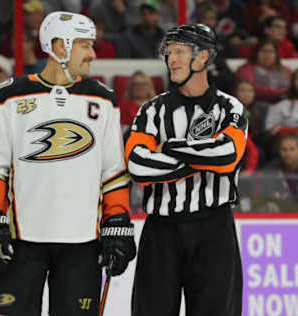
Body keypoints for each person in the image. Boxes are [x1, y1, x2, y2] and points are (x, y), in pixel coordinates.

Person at [0, 11, 136, 316]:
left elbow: (113, 172)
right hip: (19, 244)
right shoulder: (5, 97)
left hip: (83, 244)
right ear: (60, 47)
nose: (93, 54)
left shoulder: (104, 100)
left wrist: (116, 220)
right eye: (85, 45)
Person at [126, 24, 244, 316]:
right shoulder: (151, 110)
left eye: (179, 52)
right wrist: (201, 156)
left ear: (202, 57)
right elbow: (137, 164)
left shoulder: (230, 108)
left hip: (214, 231)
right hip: (161, 231)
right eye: (169, 53)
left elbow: (227, 156)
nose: (171, 60)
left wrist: (167, 147)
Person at [236, 39, 292, 103]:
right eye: (263, 51)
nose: (267, 55)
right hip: (256, 104)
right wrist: (279, 92)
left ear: (276, 54)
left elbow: (293, 88)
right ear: (256, 53)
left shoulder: (286, 70)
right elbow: (249, 90)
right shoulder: (245, 70)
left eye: (271, 51)